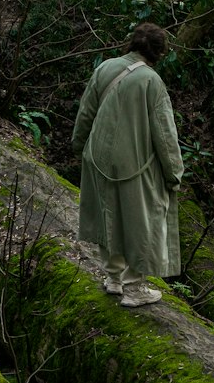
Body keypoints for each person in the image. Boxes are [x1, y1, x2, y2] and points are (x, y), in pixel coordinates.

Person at [72, 22, 184, 308]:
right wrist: (174, 172)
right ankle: (134, 287)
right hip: (135, 162)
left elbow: (86, 113)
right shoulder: (151, 81)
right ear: (159, 52)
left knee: (108, 215)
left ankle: (113, 278)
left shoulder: (105, 67)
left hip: (97, 155)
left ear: (132, 43)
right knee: (139, 221)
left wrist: (80, 145)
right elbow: (165, 133)